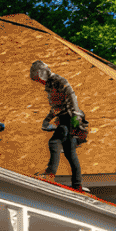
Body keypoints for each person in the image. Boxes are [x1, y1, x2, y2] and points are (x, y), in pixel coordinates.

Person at [29, 60, 87, 190]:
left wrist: (76, 116)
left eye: (38, 78)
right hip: (63, 117)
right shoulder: (50, 86)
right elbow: (56, 106)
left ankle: (50, 174)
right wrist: (47, 119)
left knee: (54, 142)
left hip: (69, 117)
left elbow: (71, 96)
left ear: (42, 73)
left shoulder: (59, 81)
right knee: (69, 152)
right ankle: (77, 184)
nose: (39, 82)